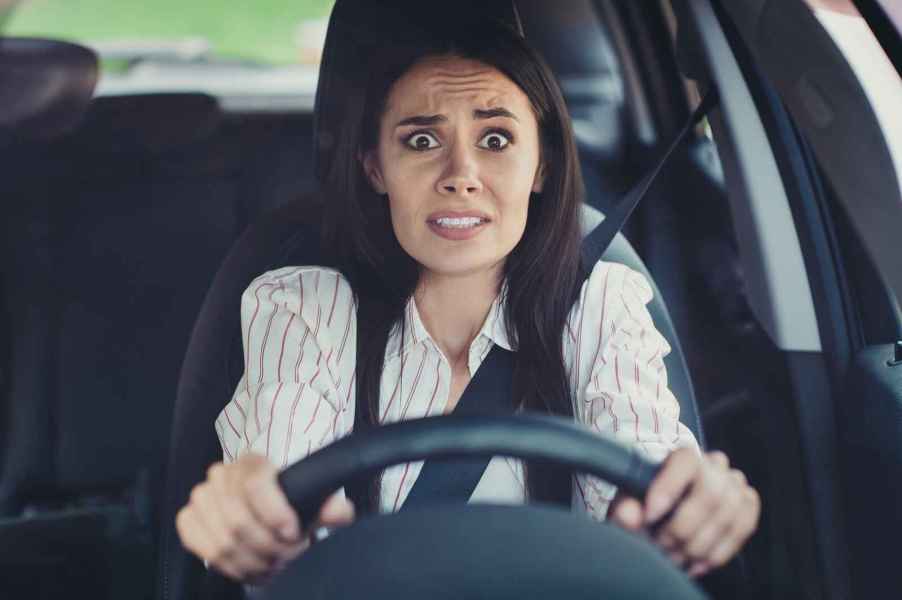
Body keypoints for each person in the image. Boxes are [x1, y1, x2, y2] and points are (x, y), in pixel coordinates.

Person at [175, 15, 760, 587]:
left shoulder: (600, 303)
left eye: (496, 139)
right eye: (423, 140)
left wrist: (686, 508)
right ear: (375, 166)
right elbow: (276, 492)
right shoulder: (304, 307)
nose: (461, 175)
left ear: (542, 165)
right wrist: (250, 513)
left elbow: (644, 481)